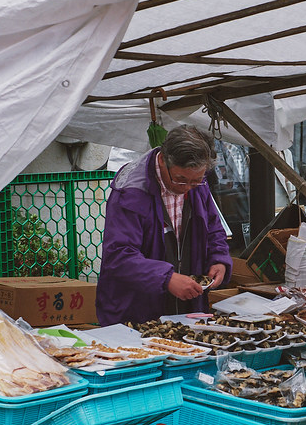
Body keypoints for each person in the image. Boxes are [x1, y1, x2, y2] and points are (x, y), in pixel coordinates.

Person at [96, 125, 232, 325]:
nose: (186, 188)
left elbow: (213, 229)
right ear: (162, 160)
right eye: (180, 180)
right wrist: (166, 278)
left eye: (195, 181)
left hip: (187, 310)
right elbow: (119, 255)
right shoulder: (132, 190)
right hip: (135, 313)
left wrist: (219, 260)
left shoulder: (198, 185)